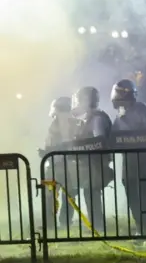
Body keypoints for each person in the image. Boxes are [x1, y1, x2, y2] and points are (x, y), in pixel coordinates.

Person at [110, 79, 146, 235]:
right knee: (131, 192)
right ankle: (140, 224)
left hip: (142, 158)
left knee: (144, 192)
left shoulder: (143, 111)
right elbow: (115, 133)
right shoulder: (122, 113)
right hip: (129, 159)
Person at [71, 87, 114, 234]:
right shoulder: (88, 118)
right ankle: (95, 224)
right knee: (89, 193)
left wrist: (79, 147)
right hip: (89, 162)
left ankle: (98, 226)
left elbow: (99, 140)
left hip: (95, 163)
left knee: (91, 193)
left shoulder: (97, 118)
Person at [40, 97, 83, 230]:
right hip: (72, 164)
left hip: (55, 164)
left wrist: (45, 152)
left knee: (49, 195)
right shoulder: (76, 122)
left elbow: (55, 144)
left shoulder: (55, 123)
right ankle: (66, 221)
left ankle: (50, 223)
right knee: (70, 195)